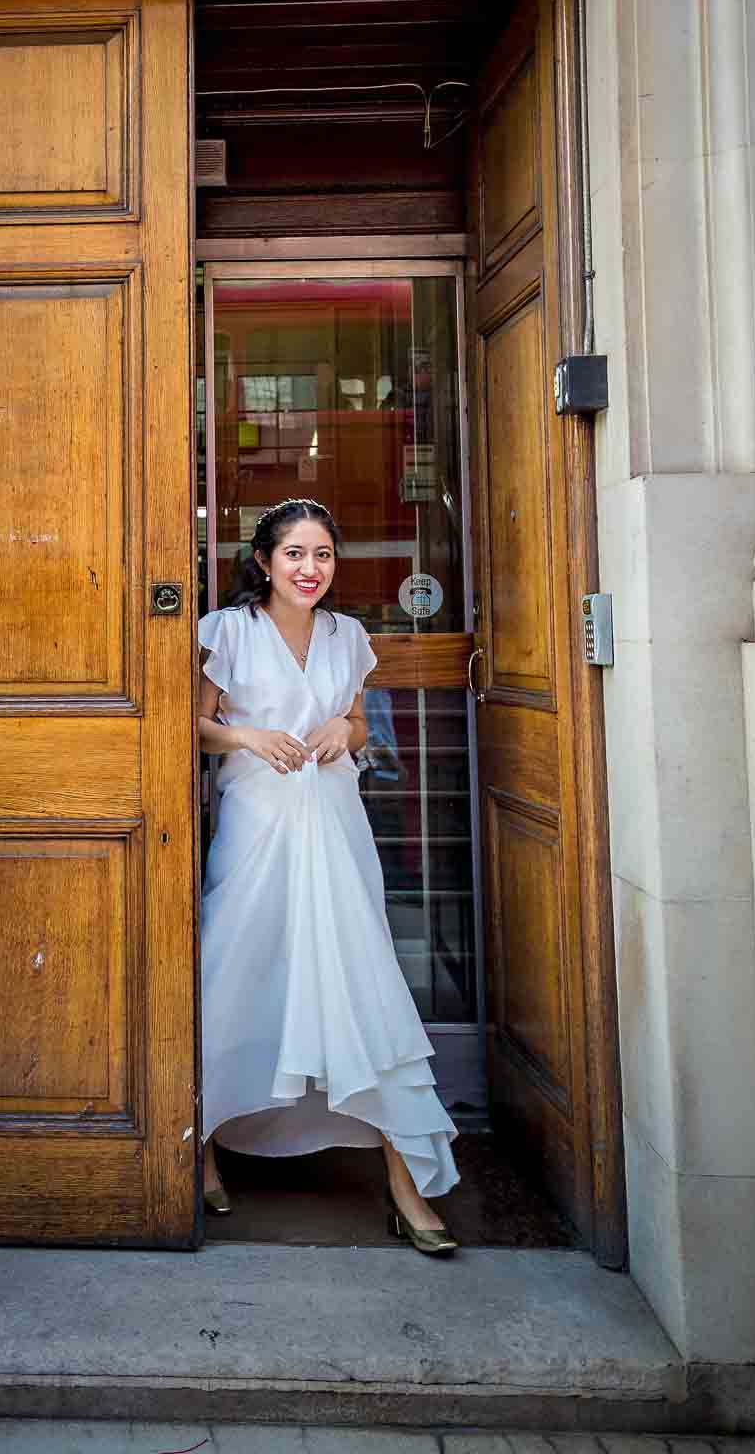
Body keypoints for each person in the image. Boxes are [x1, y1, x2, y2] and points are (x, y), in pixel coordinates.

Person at [198, 498, 459, 1254]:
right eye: (295, 555)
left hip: (337, 827)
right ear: (264, 561)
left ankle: (405, 1182)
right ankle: (200, 1143)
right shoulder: (227, 631)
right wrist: (248, 732)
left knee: (358, 976)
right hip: (257, 825)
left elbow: (355, 723)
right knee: (235, 970)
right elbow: (194, 723)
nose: (310, 569)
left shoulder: (349, 636)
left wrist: (339, 729)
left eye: (323, 555)